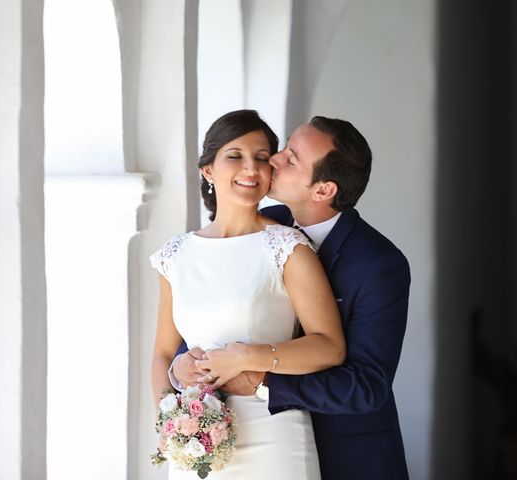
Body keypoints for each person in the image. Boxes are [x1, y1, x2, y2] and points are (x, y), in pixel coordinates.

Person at [173, 116, 411, 479]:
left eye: (292, 158)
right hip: (249, 447)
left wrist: (263, 381)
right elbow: (215, 307)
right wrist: (184, 365)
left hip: (346, 455)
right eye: (285, 146)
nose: (274, 159)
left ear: (323, 190)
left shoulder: (379, 264)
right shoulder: (263, 227)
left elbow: (366, 386)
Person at [150, 110, 346, 480]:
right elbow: (162, 353)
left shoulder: (287, 248)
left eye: (261, 157)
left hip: (273, 437)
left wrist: (245, 358)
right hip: (196, 444)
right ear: (208, 169)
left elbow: (329, 347)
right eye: (234, 156)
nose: (251, 168)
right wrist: (168, 417)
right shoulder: (174, 257)